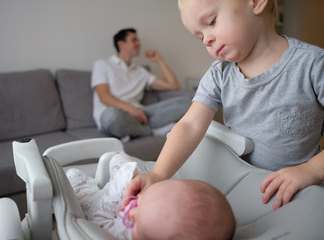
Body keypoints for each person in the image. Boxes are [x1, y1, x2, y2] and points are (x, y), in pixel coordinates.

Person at [124, 0, 324, 211]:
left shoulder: (312, 65)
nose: (207, 40)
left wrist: (311, 170)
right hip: (241, 190)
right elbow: (190, 125)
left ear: (256, 2)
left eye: (211, 22)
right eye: (200, 37)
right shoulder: (219, 74)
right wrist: (157, 174)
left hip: (299, 197)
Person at [67, 153, 235, 240]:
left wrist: (118, 190)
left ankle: (83, 184)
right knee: (119, 159)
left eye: (137, 206)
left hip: (99, 208)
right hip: (116, 201)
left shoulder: (113, 233)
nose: (135, 201)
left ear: (132, 218)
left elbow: (97, 219)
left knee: (75, 182)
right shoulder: (150, 220)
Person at [91, 28, 192, 141]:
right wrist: (130, 109)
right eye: (134, 40)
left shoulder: (141, 71)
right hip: (113, 115)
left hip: (141, 114)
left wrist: (159, 60)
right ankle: (151, 131)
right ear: (121, 44)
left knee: (189, 103)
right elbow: (104, 97)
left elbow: (173, 86)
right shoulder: (102, 64)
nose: (139, 44)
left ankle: (133, 131)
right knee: (113, 117)